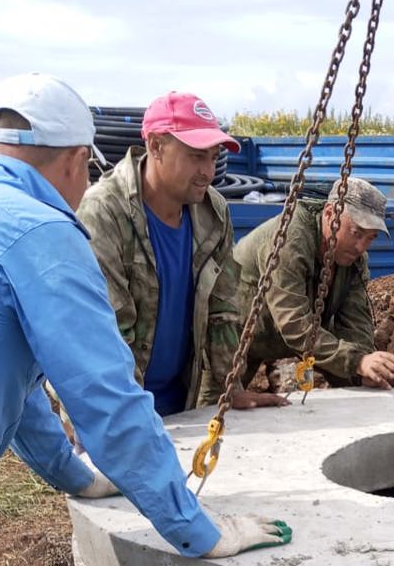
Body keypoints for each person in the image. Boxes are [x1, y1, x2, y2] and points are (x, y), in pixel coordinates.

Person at [0, 72, 288, 558]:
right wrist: (200, 530)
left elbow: (17, 392)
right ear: (77, 160)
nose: (208, 170)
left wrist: (77, 476)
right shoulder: (41, 231)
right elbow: (103, 395)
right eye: (196, 155)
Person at [77, 91, 287, 415]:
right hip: (109, 409)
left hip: (178, 404)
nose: (209, 171)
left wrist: (230, 388)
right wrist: (132, 426)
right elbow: (105, 336)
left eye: (214, 157)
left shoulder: (212, 211)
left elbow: (222, 310)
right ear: (156, 146)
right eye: (196, 156)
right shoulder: (104, 213)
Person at [234, 177, 394, 389]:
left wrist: (368, 370)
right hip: (232, 340)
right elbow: (295, 325)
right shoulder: (289, 240)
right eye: (356, 233)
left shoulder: (352, 260)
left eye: (371, 238)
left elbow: (356, 323)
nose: (360, 247)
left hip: (285, 340)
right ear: (330, 213)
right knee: (210, 412)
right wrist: (356, 362)